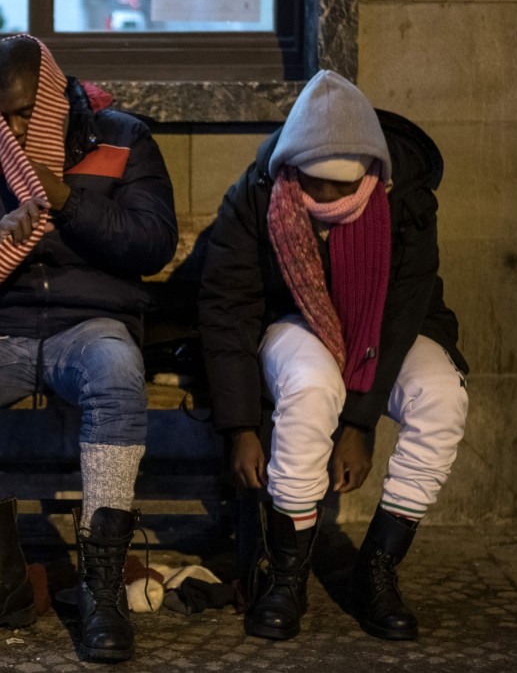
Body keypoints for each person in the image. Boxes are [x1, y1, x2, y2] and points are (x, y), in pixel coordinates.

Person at [0, 34, 177, 661]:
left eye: (26, 112)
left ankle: (102, 586)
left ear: (53, 94)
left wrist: (69, 201)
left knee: (118, 367)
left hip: (90, 324)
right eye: (2, 113)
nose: (14, 128)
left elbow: (155, 242)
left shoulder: (121, 137)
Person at [198, 70, 468, 642]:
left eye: (341, 186)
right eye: (314, 183)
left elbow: (400, 314)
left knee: (441, 398)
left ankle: (377, 570)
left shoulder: (407, 199)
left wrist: (360, 422)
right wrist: (241, 425)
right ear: (292, 166)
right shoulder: (259, 193)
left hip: (387, 329)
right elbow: (229, 307)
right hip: (294, 318)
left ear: (373, 171)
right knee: (311, 384)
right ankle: (287, 575)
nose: (325, 199)